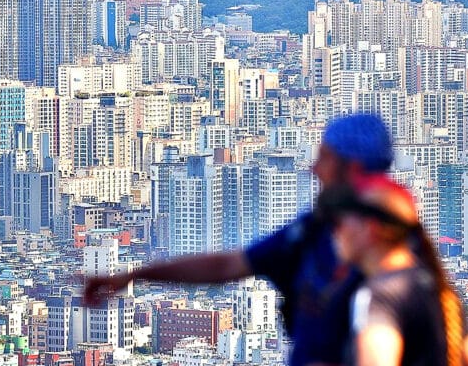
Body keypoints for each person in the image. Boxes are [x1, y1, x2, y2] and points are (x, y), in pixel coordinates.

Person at [83, 113, 395, 366]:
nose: (314, 169)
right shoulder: (311, 234)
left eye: (324, 159)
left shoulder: (392, 260)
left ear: (351, 169)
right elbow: (225, 266)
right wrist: (135, 275)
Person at [323, 175, 468, 366]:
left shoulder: (380, 295)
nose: (335, 232)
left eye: (339, 223)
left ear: (370, 228)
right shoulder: (435, 287)